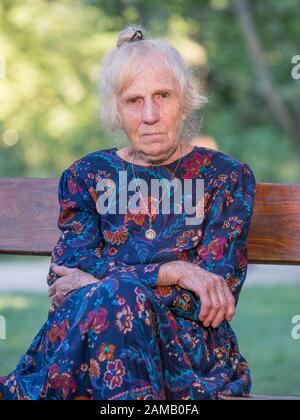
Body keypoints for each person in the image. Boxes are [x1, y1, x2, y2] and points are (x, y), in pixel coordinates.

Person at [0, 25, 256, 400]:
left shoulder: (226, 178)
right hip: (85, 345)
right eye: (134, 101)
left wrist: (104, 284)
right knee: (112, 299)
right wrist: (175, 271)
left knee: (115, 295)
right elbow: (66, 279)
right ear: (115, 110)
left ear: (184, 101)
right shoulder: (86, 176)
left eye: (162, 96)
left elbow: (213, 297)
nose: (149, 114)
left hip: (184, 358)